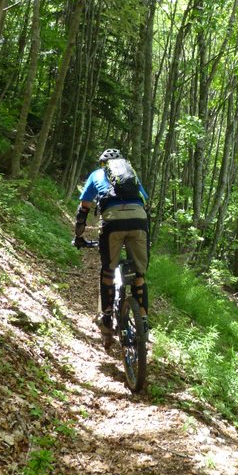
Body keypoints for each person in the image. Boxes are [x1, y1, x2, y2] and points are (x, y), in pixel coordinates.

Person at [73, 148, 150, 347]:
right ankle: (143, 320)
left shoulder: (97, 174)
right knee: (139, 274)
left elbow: (83, 209)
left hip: (113, 224)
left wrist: (79, 236)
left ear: (103, 164)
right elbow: (145, 200)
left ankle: (106, 318)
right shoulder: (131, 176)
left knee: (108, 270)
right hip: (139, 221)